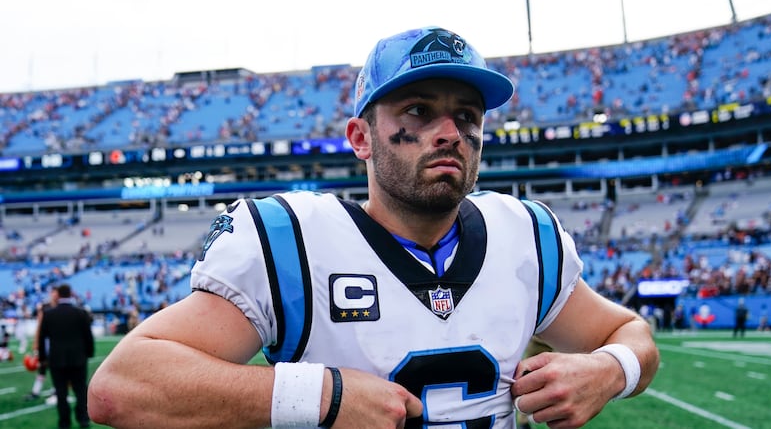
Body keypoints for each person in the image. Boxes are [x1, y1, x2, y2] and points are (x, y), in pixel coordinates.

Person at [88, 26, 659, 429]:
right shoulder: (292, 240)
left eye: (466, 116)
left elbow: (631, 333)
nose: (449, 132)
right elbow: (122, 386)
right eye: (418, 111)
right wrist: (324, 397)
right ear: (360, 138)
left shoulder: (524, 234)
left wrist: (608, 370)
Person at [39, 283, 95, 429]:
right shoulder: (81, 313)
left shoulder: (49, 314)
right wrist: (89, 352)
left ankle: (64, 422)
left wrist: (42, 358)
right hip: (78, 358)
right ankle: (83, 419)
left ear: (58, 295)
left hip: (56, 359)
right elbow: (88, 336)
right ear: (71, 294)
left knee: (61, 392)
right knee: (80, 390)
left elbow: (42, 338)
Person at [24, 286, 59, 401]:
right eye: (53, 292)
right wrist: (36, 342)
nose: (54, 295)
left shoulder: (61, 306)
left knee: (56, 367)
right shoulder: (45, 306)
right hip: (46, 340)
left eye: (56, 292)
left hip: (57, 341)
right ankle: (36, 391)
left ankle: (55, 391)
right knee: (42, 366)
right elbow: (39, 325)